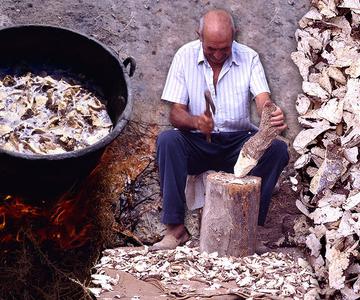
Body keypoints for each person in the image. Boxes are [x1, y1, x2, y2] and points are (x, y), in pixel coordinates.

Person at [152, 9, 289, 250]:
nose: (217, 55)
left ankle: (250, 230)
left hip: (237, 144)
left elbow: (263, 99)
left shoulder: (250, 57)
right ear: (199, 36)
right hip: (196, 141)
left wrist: (271, 113)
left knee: (277, 149)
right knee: (167, 141)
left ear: (234, 36)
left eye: (224, 49)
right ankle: (175, 231)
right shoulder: (184, 56)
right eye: (211, 49)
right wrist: (196, 122)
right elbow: (175, 113)